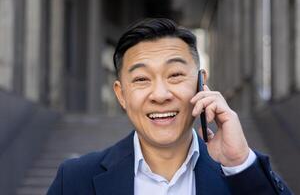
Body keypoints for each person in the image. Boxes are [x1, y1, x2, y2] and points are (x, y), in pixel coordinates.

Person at [47, 18, 292, 195]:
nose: (160, 94)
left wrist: (240, 163)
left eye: (175, 75)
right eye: (142, 79)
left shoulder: (239, 175)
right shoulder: (75, 180)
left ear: (200, 83)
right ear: (121, 95)